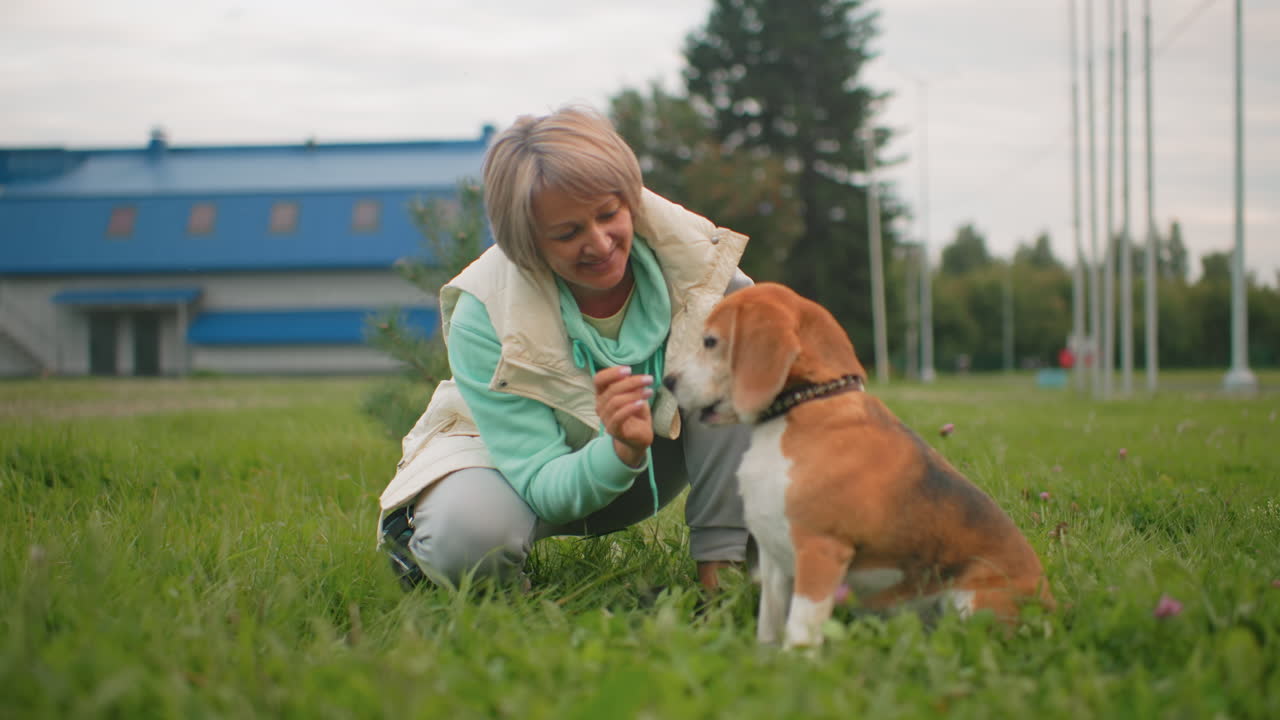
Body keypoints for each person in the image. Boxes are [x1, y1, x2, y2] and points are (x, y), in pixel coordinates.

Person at [376, 106, 754, 592]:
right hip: (508, 468)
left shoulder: (699, 264)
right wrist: (619, 447)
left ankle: (724, 578)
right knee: (469, 538)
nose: (600, 243)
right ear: (526, 242)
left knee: (738, 364)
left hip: (642, 462)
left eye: (608, 214)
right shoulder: (483, 313)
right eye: (568, 233)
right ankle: (436, 558)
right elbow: (542, 479)